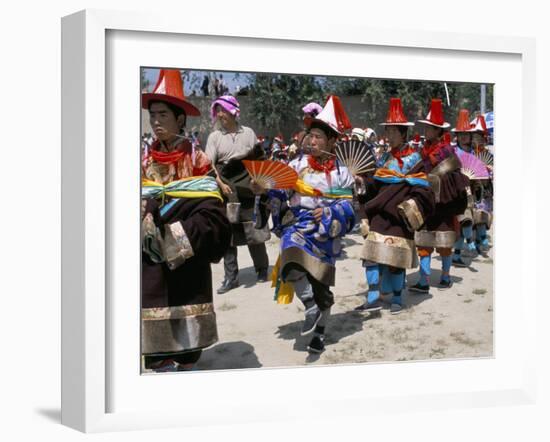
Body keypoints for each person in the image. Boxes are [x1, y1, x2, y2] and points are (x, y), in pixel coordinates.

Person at [140, 69, 232, 372]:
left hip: (187, 260)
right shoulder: (142, 162)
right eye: (153, 115)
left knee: (186, 350)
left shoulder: (198, 161)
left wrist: (175, 235)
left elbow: (214, 217)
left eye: (162, 115)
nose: (155, 122)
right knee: (156, 349)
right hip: (151, 263)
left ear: (180, 119)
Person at [253, 96, 356, 354]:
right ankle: (309, 305)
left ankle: (319, 334)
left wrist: (331, 213)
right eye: (310, 135)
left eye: (319, 137)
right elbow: (278, 189)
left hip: (326, 236)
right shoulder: (296, 164)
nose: (312, 141)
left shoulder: (342, 173)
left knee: (323, 289)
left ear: (332, 140)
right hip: (299, 227)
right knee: (290, 257)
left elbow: (348, 207)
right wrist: (263, 190)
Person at [356, 98, 435, 314]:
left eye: (392, 132)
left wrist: (410, 206)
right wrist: (363, 182)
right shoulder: (384, 158)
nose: (388, 136)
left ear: (403, 134)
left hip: (400, 217)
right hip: (380, 215)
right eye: (387, 131)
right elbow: (376, 182)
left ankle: (398, 298)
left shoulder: (415, 159)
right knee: (371, 254)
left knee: (395, 261)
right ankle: (373, 295)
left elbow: (424, 189)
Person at [205, 95, 271, 294]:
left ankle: (262, 270)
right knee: (228, 234)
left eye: (223, 110)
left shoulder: (248, 133)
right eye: (217, 111)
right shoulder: (214, 137)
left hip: (248, 186)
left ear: (232, 111)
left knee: (254, 229)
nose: (220, 115)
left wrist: (257, 181)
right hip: (226, 187)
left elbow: (258, 160)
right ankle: (231, 278)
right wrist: (221, 184)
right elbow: (208, 165)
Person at [410, 99, 469, 293]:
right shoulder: (422, 150)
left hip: (444, 204)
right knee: (424, 242)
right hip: (427, 203)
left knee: (444, 242)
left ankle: (445, 277)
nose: (427, 131)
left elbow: (454, 175)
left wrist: (438, 179)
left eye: (430, 128)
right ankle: (424, 280)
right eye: (426, 128)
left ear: (438, 131)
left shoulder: (447, 150)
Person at [451, 109, 477, 267]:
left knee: (462, 224)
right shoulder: (454, 152)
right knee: (465, 218)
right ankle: (470, 241)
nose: (463, 137)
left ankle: (457, 255)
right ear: (457, 136)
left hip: (470, 191)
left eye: (466, 134)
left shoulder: (474, 152)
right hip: (457, 191)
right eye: (460, 134)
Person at [469, 114, 493, 253]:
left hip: (485, 190)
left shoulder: (489, 155)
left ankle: (480, 241)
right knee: (474, 216)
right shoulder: (469, 154)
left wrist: (488, 172)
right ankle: (474, 241)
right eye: (475, 136)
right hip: (473, 189)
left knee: (483, 215)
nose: (477, 139)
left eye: (479, 136)